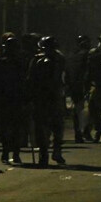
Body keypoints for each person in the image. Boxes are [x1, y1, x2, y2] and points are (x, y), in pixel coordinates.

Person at [26, 36, 67, 167]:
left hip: (41, 98)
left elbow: (30, 80)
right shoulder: (60, 59)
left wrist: (30, 97)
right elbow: (66, 78)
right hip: (56, 97)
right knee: (57, 127)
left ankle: (44, 156)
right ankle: (57, 151)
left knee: (42, 128)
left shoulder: (36, 59)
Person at [0, 37, 25, 164]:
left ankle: (7, 152)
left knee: (6, 127)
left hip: (6, 99)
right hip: (13, 99)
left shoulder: (1, 63)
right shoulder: (18, 63)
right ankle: (14, 153)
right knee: (15, 127)